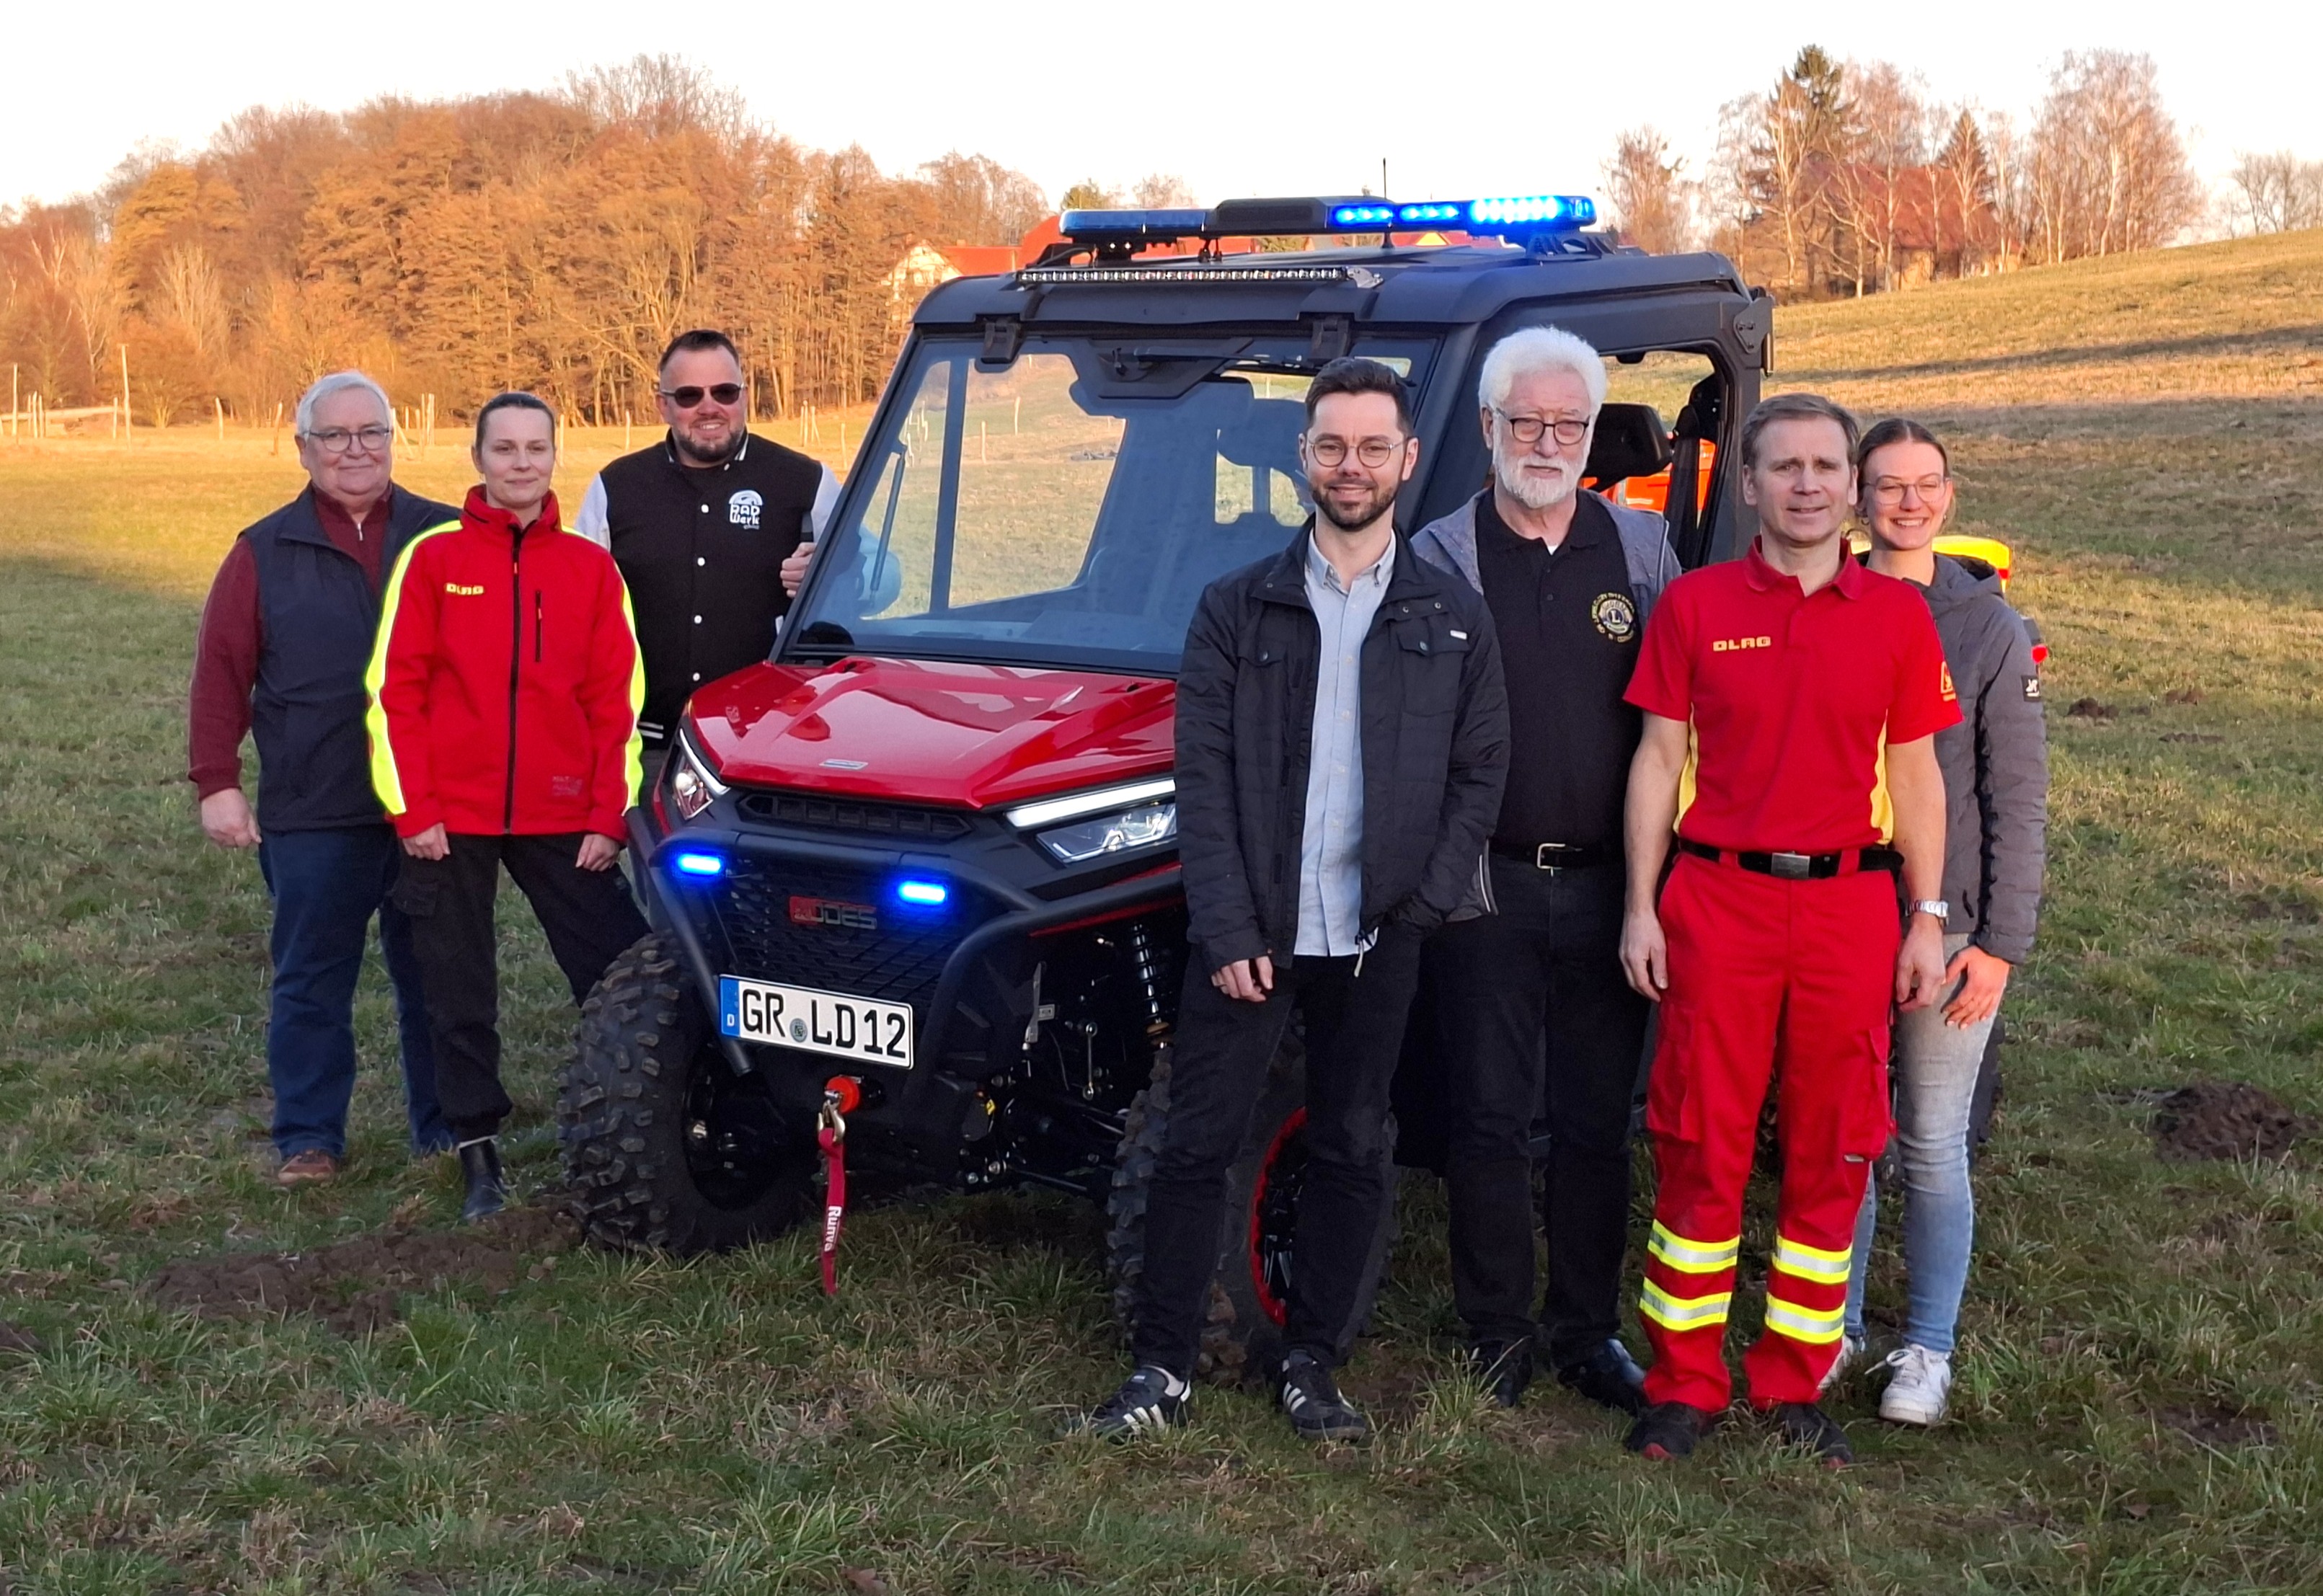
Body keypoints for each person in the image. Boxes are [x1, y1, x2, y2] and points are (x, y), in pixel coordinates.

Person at [1078, 358, 1509, 1442]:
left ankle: (1314, 1361)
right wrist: (1225, 925)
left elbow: (1480, 773)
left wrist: (1420, 906)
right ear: (1302, 457)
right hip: (1252, 935)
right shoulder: (1237, 607)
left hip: (1377, 935)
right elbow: (1203, 779)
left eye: (1372, 448)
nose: (1350, 466)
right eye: (1331, 446)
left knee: (1351, 1144)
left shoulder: (1453, 617)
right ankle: (1161, 1368)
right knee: (1194, 1146)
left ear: (1408, 460)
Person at [1616, 392, 1958, 1466]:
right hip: (1717, 903)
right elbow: (1657, 760)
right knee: (1697, 1136)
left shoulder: (1897, 617)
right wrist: (1640, 904)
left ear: (1851, 486)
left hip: (1851, 908)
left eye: (1825, 466)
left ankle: (1790, 1379)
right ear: (1750, 484)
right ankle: (1683, 1381)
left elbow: (1916, 775)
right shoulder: (1696, 604)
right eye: (1785, 466)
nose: (1807, 484)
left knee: (1834, 1142)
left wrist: (1927, 916)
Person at [1410, 326, 1679, 1413]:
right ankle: (1496, 1329)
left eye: (1569, 424)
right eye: (1527, 422)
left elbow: (1677, 723)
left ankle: (1585, 1329)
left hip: (1615, 885)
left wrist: (1656, 889)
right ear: (1488, 427)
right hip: (1487, 884)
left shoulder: (1643, 553)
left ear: (1591, 432)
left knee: (1593, 1121)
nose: (1548, 442)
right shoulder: (1439, 556)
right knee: (1483, 1116)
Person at [366, 392, 650, 1221]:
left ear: (554, 455)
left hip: (564, 813)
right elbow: (395, 691)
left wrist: (607, 814)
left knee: (621, 967)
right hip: (449, 818)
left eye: (535, 448)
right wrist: (414, 809)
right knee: (457, 985)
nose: (521, 463)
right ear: (478, 458)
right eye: (505, 448)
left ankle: (652, 1110)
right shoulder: (433, 559)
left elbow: (617, 700)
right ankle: (477, 1148)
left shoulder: (590, 569)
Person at [188, 371, 459, 1184]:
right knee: (311, 980)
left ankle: (447, 1128)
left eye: (370, 432)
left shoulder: (443, 536)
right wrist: (216, 781)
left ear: (393, 440)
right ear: (303, 448)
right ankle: (309, 1137)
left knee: (439, 977)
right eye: (334, 436)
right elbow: (220, 671)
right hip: (314, 805)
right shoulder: (262, 551)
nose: (355, 450)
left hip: (428, 806)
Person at [1836, 419, 2048, 1426]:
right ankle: (1831, 1324)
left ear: (1950, 496)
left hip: (1952, 930)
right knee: (1844, 1139)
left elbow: (2017, 797)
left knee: (1927, 1140)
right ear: (1859, 498)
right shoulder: (1824, 600)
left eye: (1926, 484)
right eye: (1889, 485)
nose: (1909, 502)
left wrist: (2001, 945)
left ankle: (1926, 1346)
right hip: (1837, 912)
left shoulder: (1986, 629)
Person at [572, 329, 838, 750]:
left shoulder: (807, 482)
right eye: (689, 396)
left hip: (764, 744)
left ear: (745, 397)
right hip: (645, 747)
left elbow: (881, 582)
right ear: (663, 405)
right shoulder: (615, 488)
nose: (709, 408)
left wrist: (828, 576)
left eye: (725, 392)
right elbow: (575, 610)